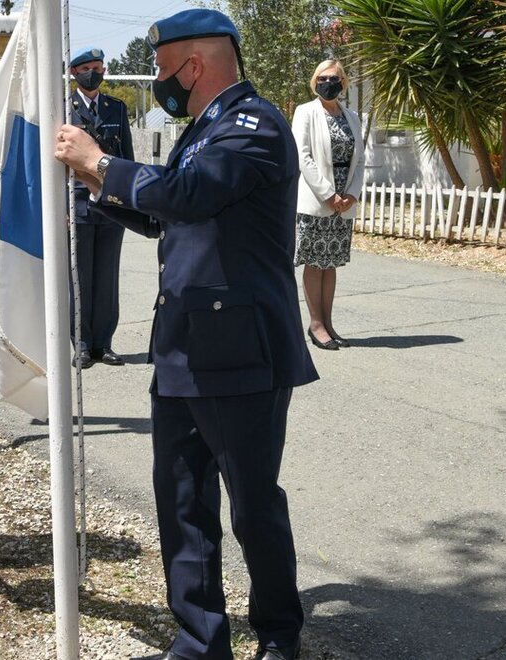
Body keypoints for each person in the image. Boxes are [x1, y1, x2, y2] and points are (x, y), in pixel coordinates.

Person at [55, 9, 317, 660]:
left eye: (163, 68)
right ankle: (200, 639)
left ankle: (279, 634)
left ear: (193, 65)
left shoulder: (254, 125)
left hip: (240, 350)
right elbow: (168, 213)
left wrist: (102, 162)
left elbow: (191, 193)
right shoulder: (202, 129)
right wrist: (98, 184)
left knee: (252, 505)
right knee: (181, 502)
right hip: (181, 345)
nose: (159, 82)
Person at [67, 47, 135, 369]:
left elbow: (127, 158)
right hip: (77, 203)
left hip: (110, 204)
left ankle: (103, 344)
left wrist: (130, 200)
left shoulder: (116, 109)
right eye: (87, 68)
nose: (93, 72)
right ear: (74, 73)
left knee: (107, 276)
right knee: (80, 276)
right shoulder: (64, 109)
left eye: (98, 67)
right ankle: (81, 343)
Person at [291, 59, 365, 350]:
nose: (327, 82)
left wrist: (351, 196)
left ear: (343, 82)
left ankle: (329, 322)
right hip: (318, 200)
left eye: (333, 78)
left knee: (330, 263)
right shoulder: (305, 112)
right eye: (321, 78)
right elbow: (303, 157)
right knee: (314, 262)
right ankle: (316, 325)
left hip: (344, 203)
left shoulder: (353, 117)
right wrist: (328, 195)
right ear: (314, 81)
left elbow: (359, 161)